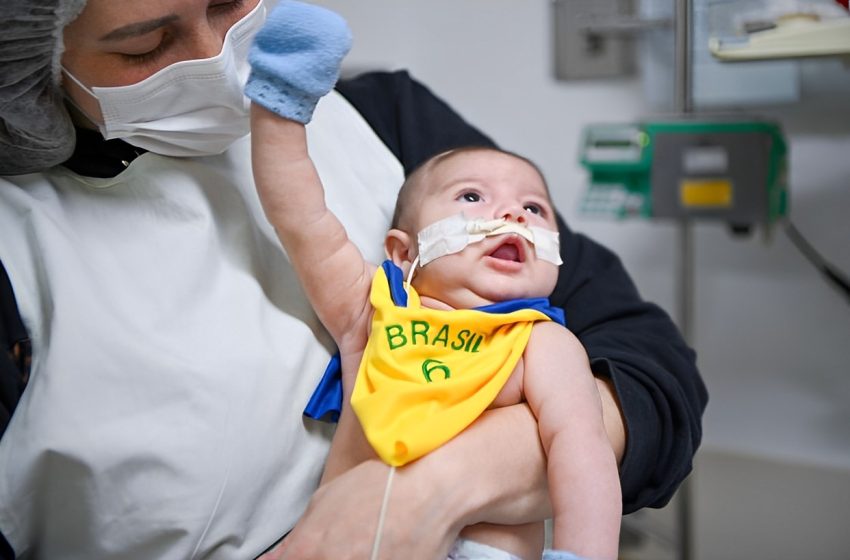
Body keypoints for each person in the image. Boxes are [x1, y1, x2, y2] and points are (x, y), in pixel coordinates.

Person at [0, 0, 707, 559]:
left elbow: (653, 376)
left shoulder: (390, 121)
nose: (217, 63)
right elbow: (305, 222)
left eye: (228, 3)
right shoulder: (21, 247)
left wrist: (431, 492)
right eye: (143, 46)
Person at [246, 5, 620, 558]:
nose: (511, 214)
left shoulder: (540, 343)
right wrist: (280, 103)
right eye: (472, 197)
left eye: (534, 208)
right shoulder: (370, 311)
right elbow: (300, 217)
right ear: (402, 252)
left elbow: (583, 452)